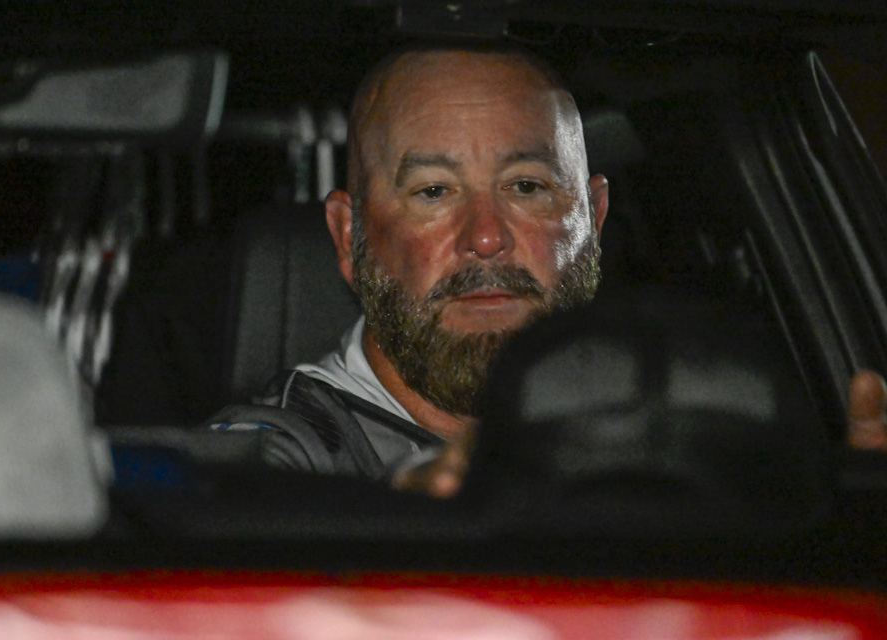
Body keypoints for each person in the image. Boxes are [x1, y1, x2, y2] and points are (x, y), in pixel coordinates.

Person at [235, 42, 887, 496]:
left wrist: (843, 533)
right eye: (433, 191)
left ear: (593, 219)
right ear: (348, 237)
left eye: (526, 186)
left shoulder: (692, 437)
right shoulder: (278, 455)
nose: (486, 237)